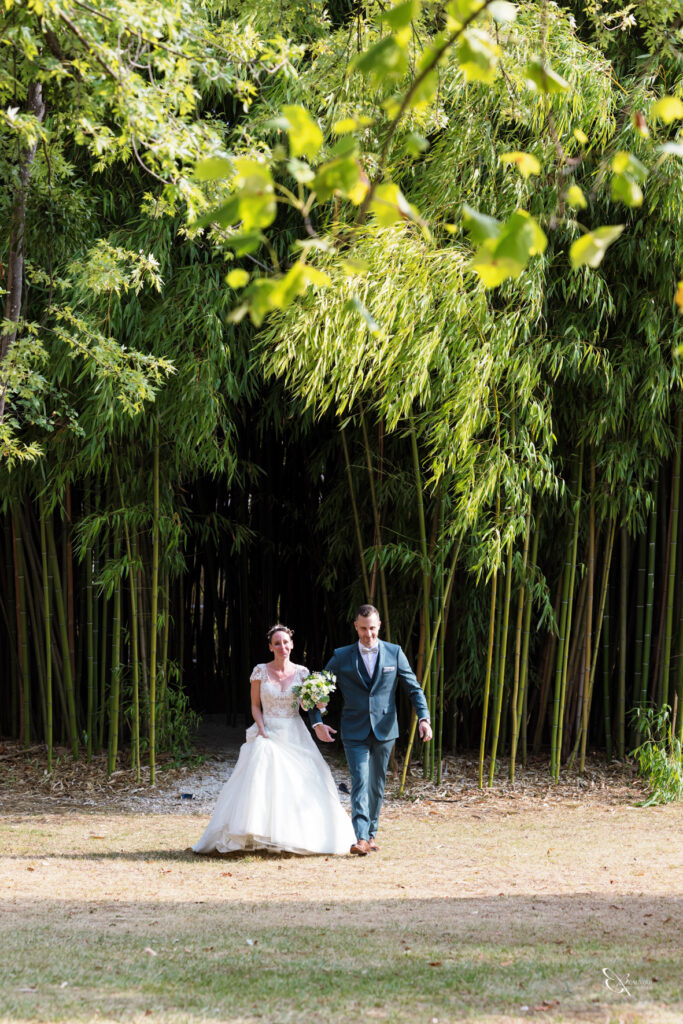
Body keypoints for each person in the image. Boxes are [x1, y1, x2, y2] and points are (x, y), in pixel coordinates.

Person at [192, 624, 355, 855]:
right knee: (261, 768)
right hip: (267, 729)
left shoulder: (302, 673)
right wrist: (260, 728)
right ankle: (256, 832)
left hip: (293, 730)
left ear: (292, 644)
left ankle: (295, 834)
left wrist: (320, 705)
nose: (282, 647)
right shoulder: (260, 671)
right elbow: (255, 705)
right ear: (270, 647)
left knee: (302, 781)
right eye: (277, 643)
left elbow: (305, 705)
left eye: (286, 642)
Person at [310, 604, 432, 856]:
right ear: (356, 626)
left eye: (373, 628)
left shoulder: (394, 652)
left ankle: (372, 834)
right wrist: (317, 721)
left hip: (386, 730)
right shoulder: (342, 656)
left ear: (379, 626)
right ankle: (361, 838)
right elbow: (317, 688)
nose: (368, 634)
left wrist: (424, 717)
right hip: (354, 730)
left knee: (377, 784)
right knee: (360, 781)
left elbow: (413, 688)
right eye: (363, 629)